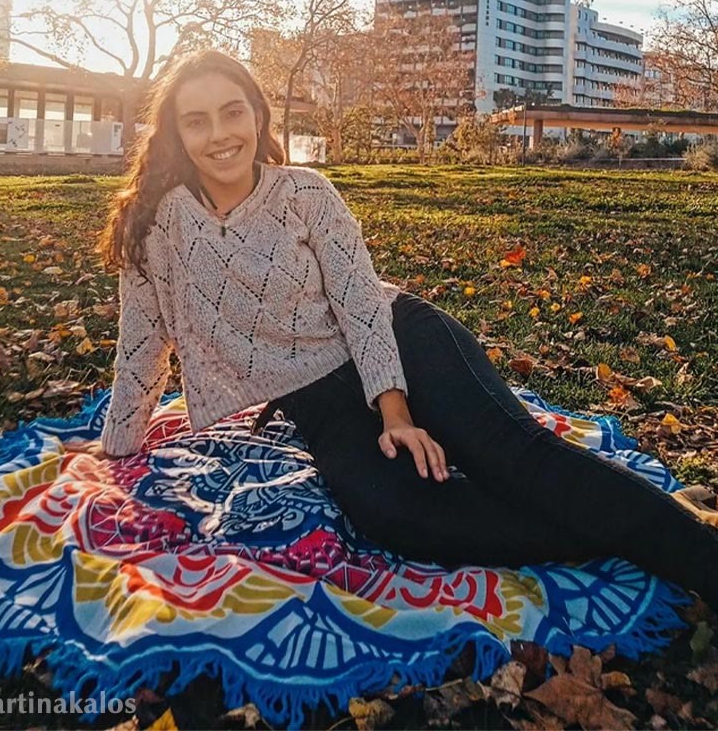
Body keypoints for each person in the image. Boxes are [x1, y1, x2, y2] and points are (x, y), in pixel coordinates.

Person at [64, 49, 718, 610]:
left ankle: (697, 559)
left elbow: (359, 306)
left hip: (407, 342)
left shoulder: (306, 193)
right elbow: (142, 344)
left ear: (259, 116)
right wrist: (118, 448)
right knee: (397, 515)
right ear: (177, 134)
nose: (220, 134)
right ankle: (652, 522)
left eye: (233, 112)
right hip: (319, 403)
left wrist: (395, 412)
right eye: (196, 120)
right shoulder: (153, 229)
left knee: (508, 459)